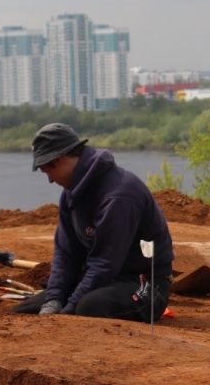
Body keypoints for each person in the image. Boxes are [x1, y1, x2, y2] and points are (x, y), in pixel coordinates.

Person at [13, 123, 174, 322]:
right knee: (27, 311)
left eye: (47, 172)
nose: (50, 181)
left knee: (88, 308)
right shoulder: (70, 196)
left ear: (60, 159)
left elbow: (104, 264)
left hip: (146, 285)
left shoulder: (118, 197)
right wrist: (53, 299)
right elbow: (66, 254)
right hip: (106, 280)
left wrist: (67, 311)